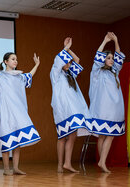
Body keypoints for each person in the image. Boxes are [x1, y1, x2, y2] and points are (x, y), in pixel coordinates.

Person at [0, 46, 41, 175]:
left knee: (18, 140)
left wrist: (37, 64)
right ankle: (6, 169)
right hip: (7, 113)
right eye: (13, 59)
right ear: (5, 62)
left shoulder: (20, 77)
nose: (15, 61)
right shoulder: (0, 76)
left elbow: (30, 75)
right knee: (7, 138)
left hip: (19, 113)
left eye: (16, 59)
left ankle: (15, 167)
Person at [50, 37, 91, 173]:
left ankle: (67, 163)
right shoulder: (55, 74)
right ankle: (60, 164)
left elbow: (78, 60)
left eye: (69, 62)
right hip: (62, 110)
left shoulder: (70, 74)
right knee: (62, 137)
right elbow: (58, 60)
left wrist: (69, 48)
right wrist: (65, 48)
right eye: (66, 61)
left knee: (73, 135)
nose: (69, 63)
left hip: (74, 109)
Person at [89, 32, 126, 173]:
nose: (111, 60)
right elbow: (97, 57)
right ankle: (102, 162)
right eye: (108, 58)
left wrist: (116, 40)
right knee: (103, 135)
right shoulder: (97, 72)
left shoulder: (115, 72)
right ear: (103, 60)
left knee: (109, 135)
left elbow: (119, 57)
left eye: (112, 58)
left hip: (115, 110)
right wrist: (104, 41)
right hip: (103, 110)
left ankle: (101, 162)